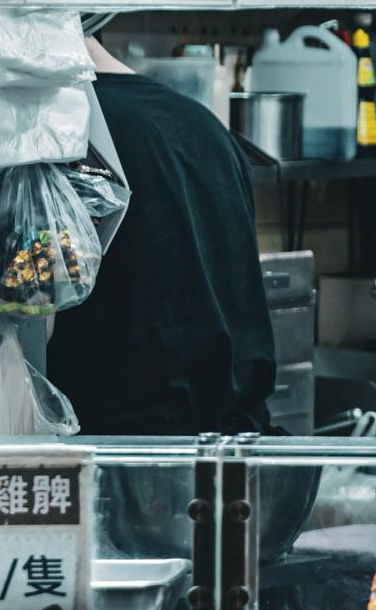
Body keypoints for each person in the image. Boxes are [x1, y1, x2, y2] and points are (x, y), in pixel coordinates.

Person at [45, 23, 276, 436]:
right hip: (231, 436)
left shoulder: (64, 130)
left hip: (122, 445)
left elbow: (33, 306)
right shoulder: (203, 124)